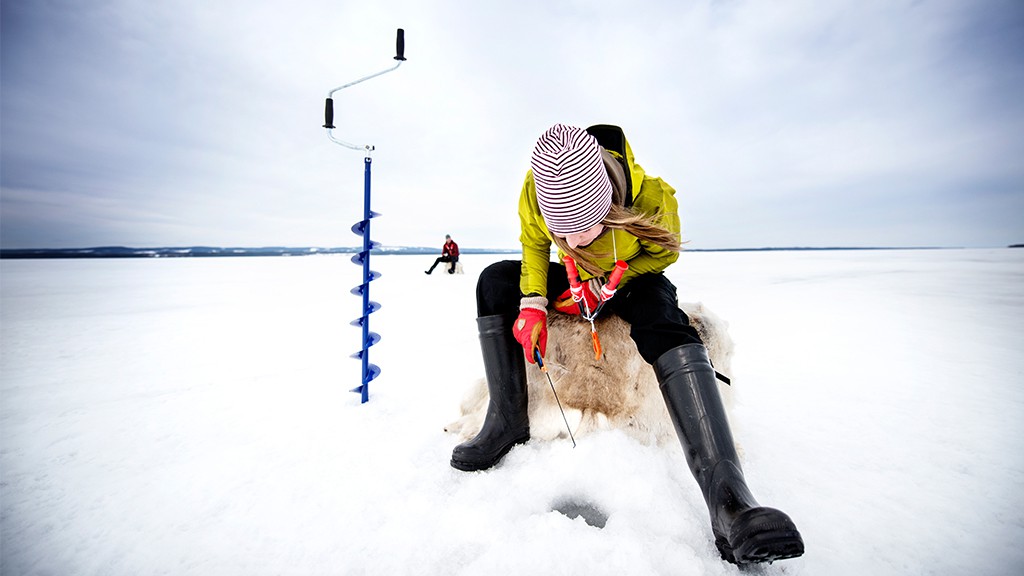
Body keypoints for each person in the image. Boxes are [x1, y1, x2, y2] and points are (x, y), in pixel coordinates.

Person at [449, 124, 804, 565]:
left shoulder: (651, 198)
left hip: (634, 277)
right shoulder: (534, 192)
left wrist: (610, 283)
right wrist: (535, 303)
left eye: (586, 230)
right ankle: (506, 421)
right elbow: (535, 245)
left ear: (610, 208)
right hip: (577, 284)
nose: (575, 243)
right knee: (492, 283)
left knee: (663, 321)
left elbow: (664, 253)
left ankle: (729, 500)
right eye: (565, 234)